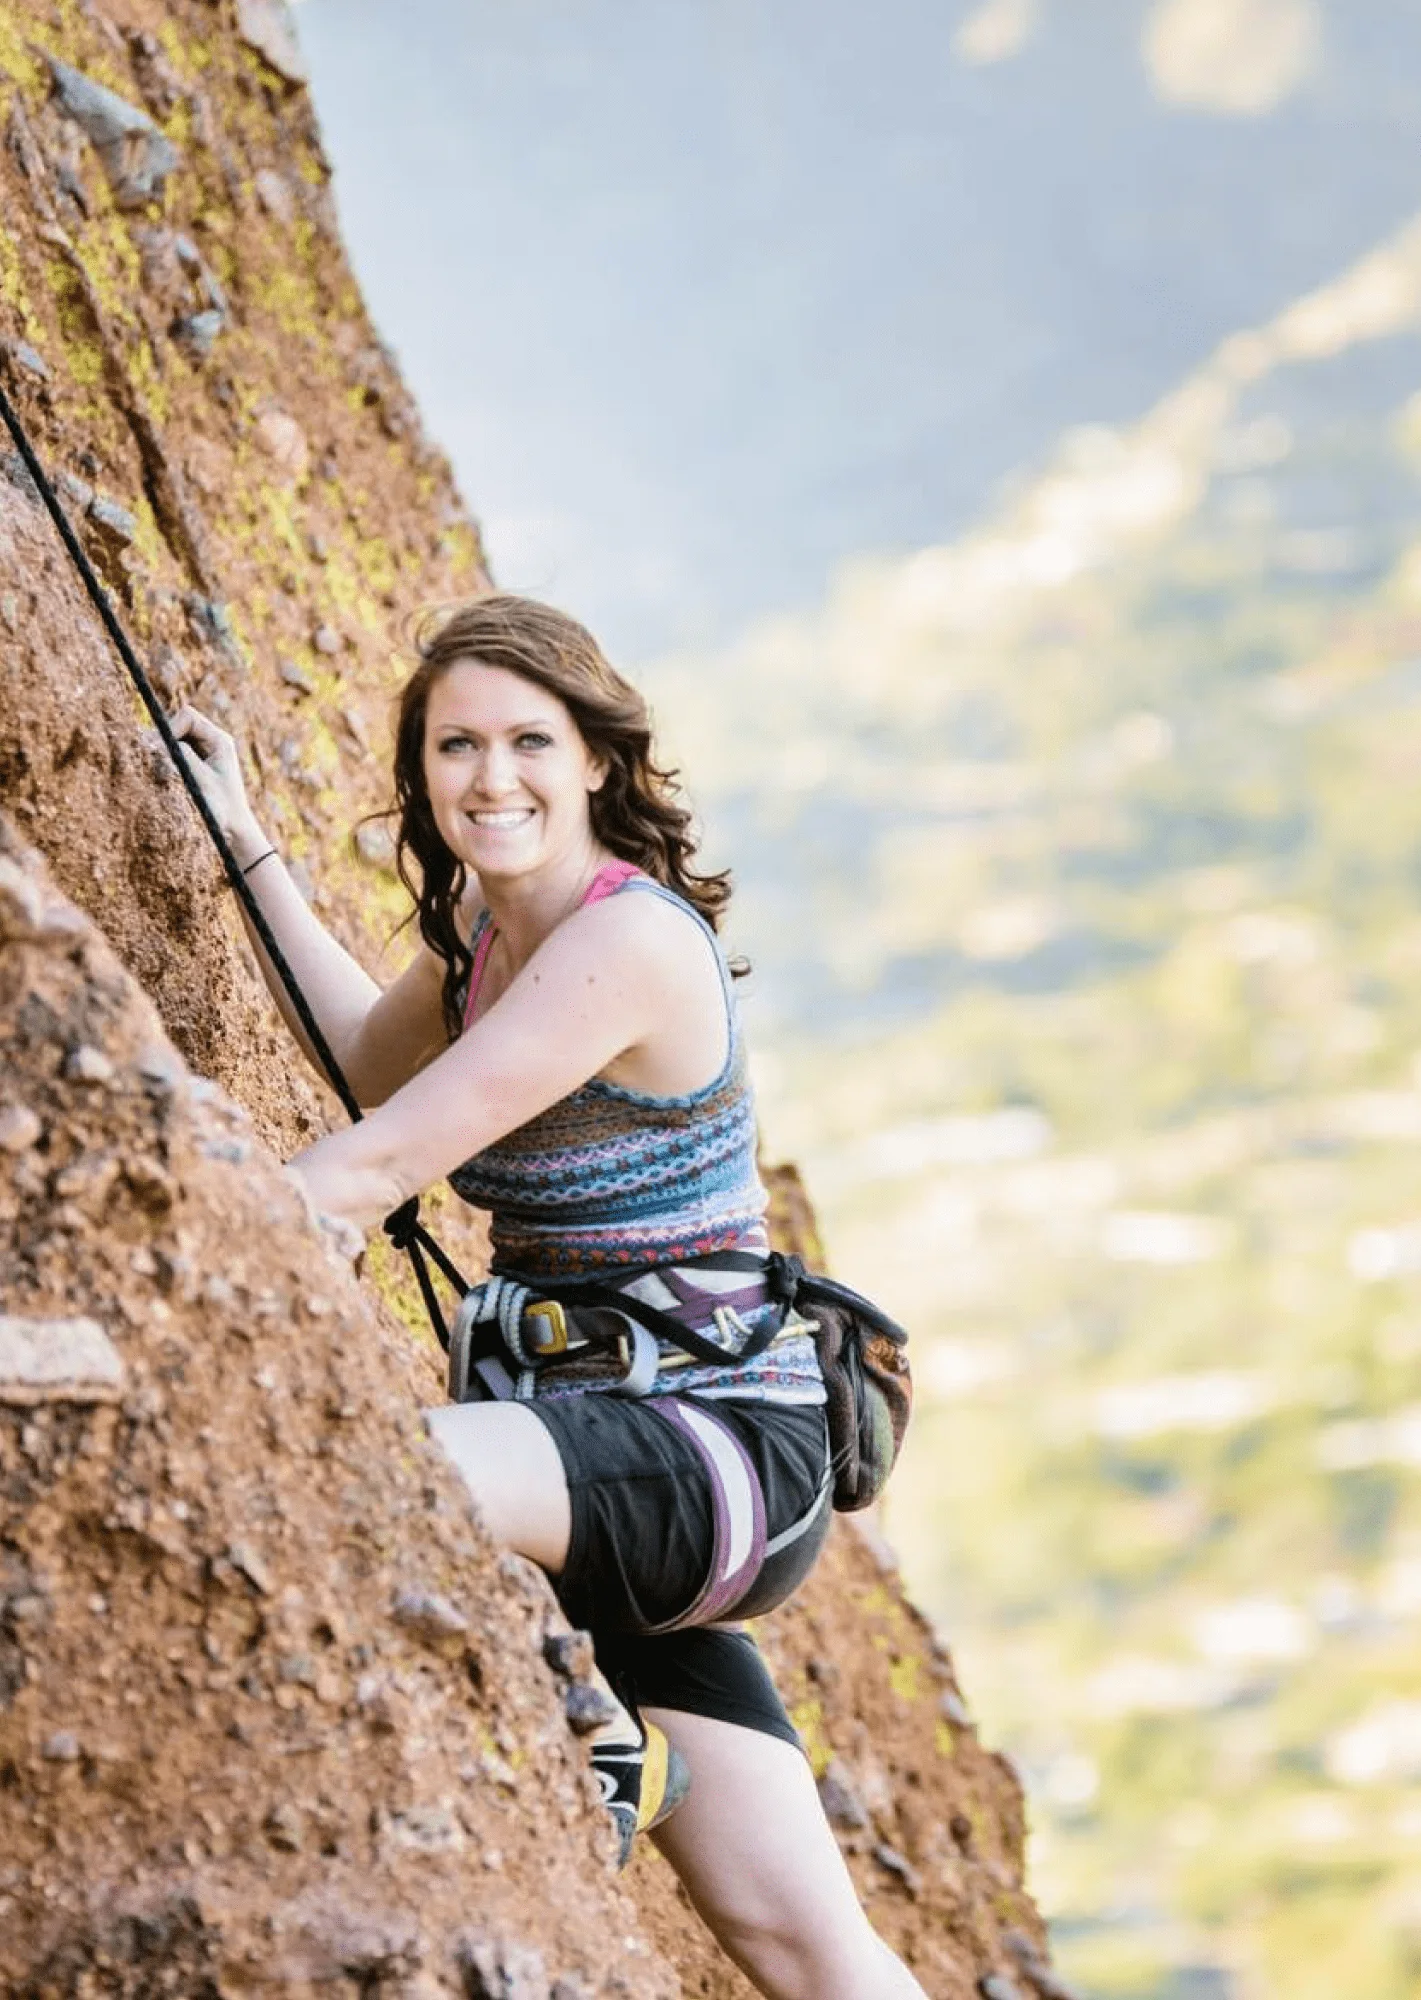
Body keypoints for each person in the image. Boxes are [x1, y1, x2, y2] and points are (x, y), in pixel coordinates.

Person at [173, 594, 926, 2000]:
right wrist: (244, 844)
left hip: (709, 1458)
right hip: (609, 1455)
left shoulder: (622, 944)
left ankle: (586, 1725)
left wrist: (147, 1230)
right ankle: (600, 1719)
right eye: (457, 746)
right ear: (423, 772)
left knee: (396, 1475)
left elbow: (380, 1159)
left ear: (595, 759)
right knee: (808, 1949)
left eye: (530, 739)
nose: (491, 777)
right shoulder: (486, 924)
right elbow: (371, 1070)